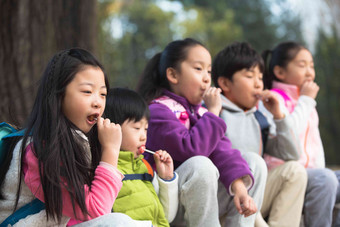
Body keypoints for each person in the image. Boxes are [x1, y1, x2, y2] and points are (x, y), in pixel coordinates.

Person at [0, 48, 137, 226]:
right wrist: (110, 151)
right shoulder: (38, 150)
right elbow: (96, 211)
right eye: (87, 92)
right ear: (58, 95)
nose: (98, 102)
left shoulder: (78, 141)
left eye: (103, 94)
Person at [137, 38, 257, 227]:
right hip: (167, 206)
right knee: (200, 164)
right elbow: (191, 149)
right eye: (198, 69)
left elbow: (223, 151)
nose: (207, 78)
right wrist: (213, 114)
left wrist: (240, 187)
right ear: (173, 75)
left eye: (209, 71)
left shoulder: (201, 112)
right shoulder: (159, 110)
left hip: (197, 202)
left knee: (253, 163)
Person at [212, 41, 307, 227]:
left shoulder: (259, 119)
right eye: (249, 76)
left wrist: (279, 116)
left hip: (252, 202)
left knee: (295, 171)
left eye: (260, 77)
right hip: (222, 199)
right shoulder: (214, 113)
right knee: (250, 161)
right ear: (224, 83)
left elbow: (292, 154)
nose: (258, 83)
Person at [262, 41, 339, 227]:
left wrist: (305, 101)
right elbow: (290, 140)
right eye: (302, 65)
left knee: (328, 178)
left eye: (311, 65)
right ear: (280, 72)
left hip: (313, 174)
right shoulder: (272, 100)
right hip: (288, 175)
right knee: (325, 179)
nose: (309, 71)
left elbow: (315, 145)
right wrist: (305, 100)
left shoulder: (307, 103)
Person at [104, 87, 178, 227]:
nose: (144, 136)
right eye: (137, 128)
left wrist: (166, 179)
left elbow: (167, 216)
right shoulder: (105, 170)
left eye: (146, 129)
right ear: (113, 127)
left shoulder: (145, 168)